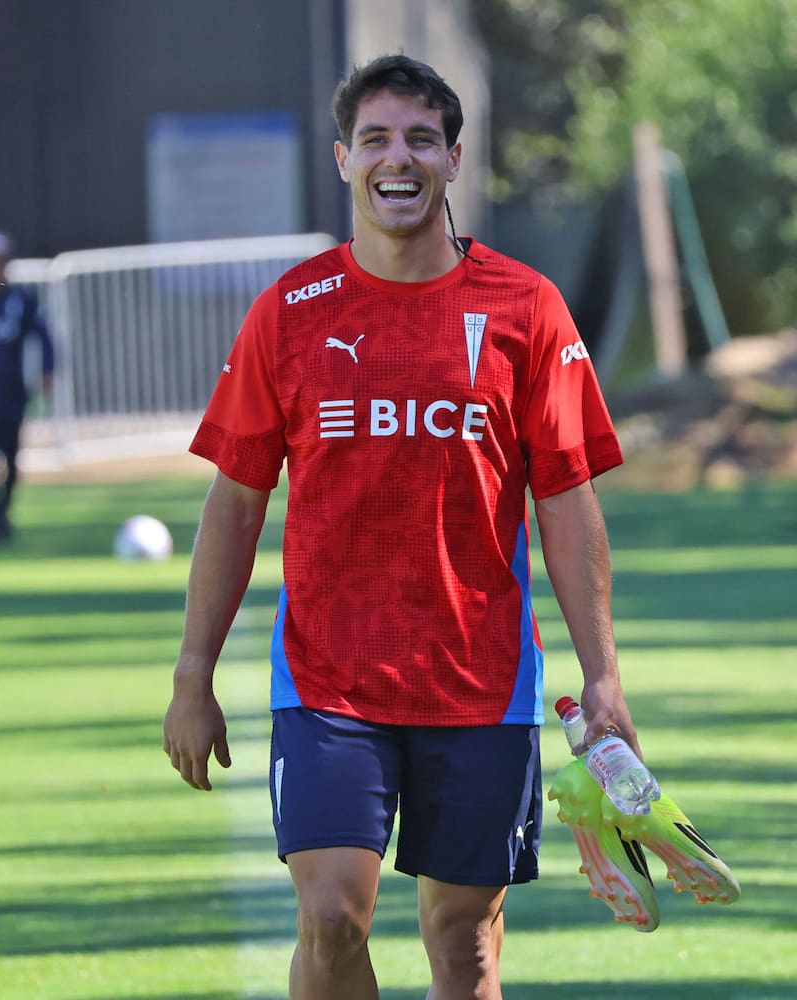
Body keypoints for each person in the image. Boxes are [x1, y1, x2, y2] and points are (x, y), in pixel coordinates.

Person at [163, 54, 643, 999]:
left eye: (422, 138)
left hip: (483, 684)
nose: (400, 158)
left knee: (461, 943)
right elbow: (236, 500)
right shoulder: (289, 314)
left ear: (454, 159)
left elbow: (566, 499)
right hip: (329, 680)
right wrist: (192, 674)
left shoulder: (527, 309)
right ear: (344, 159)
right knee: (332, 917)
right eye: (377, 139)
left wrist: (604, 676)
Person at [0, 232, 55, 542]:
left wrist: (48, 371)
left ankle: (3, 511)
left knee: (10, 456)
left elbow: (44, 336)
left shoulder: (21, 300)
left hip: (9, 393)